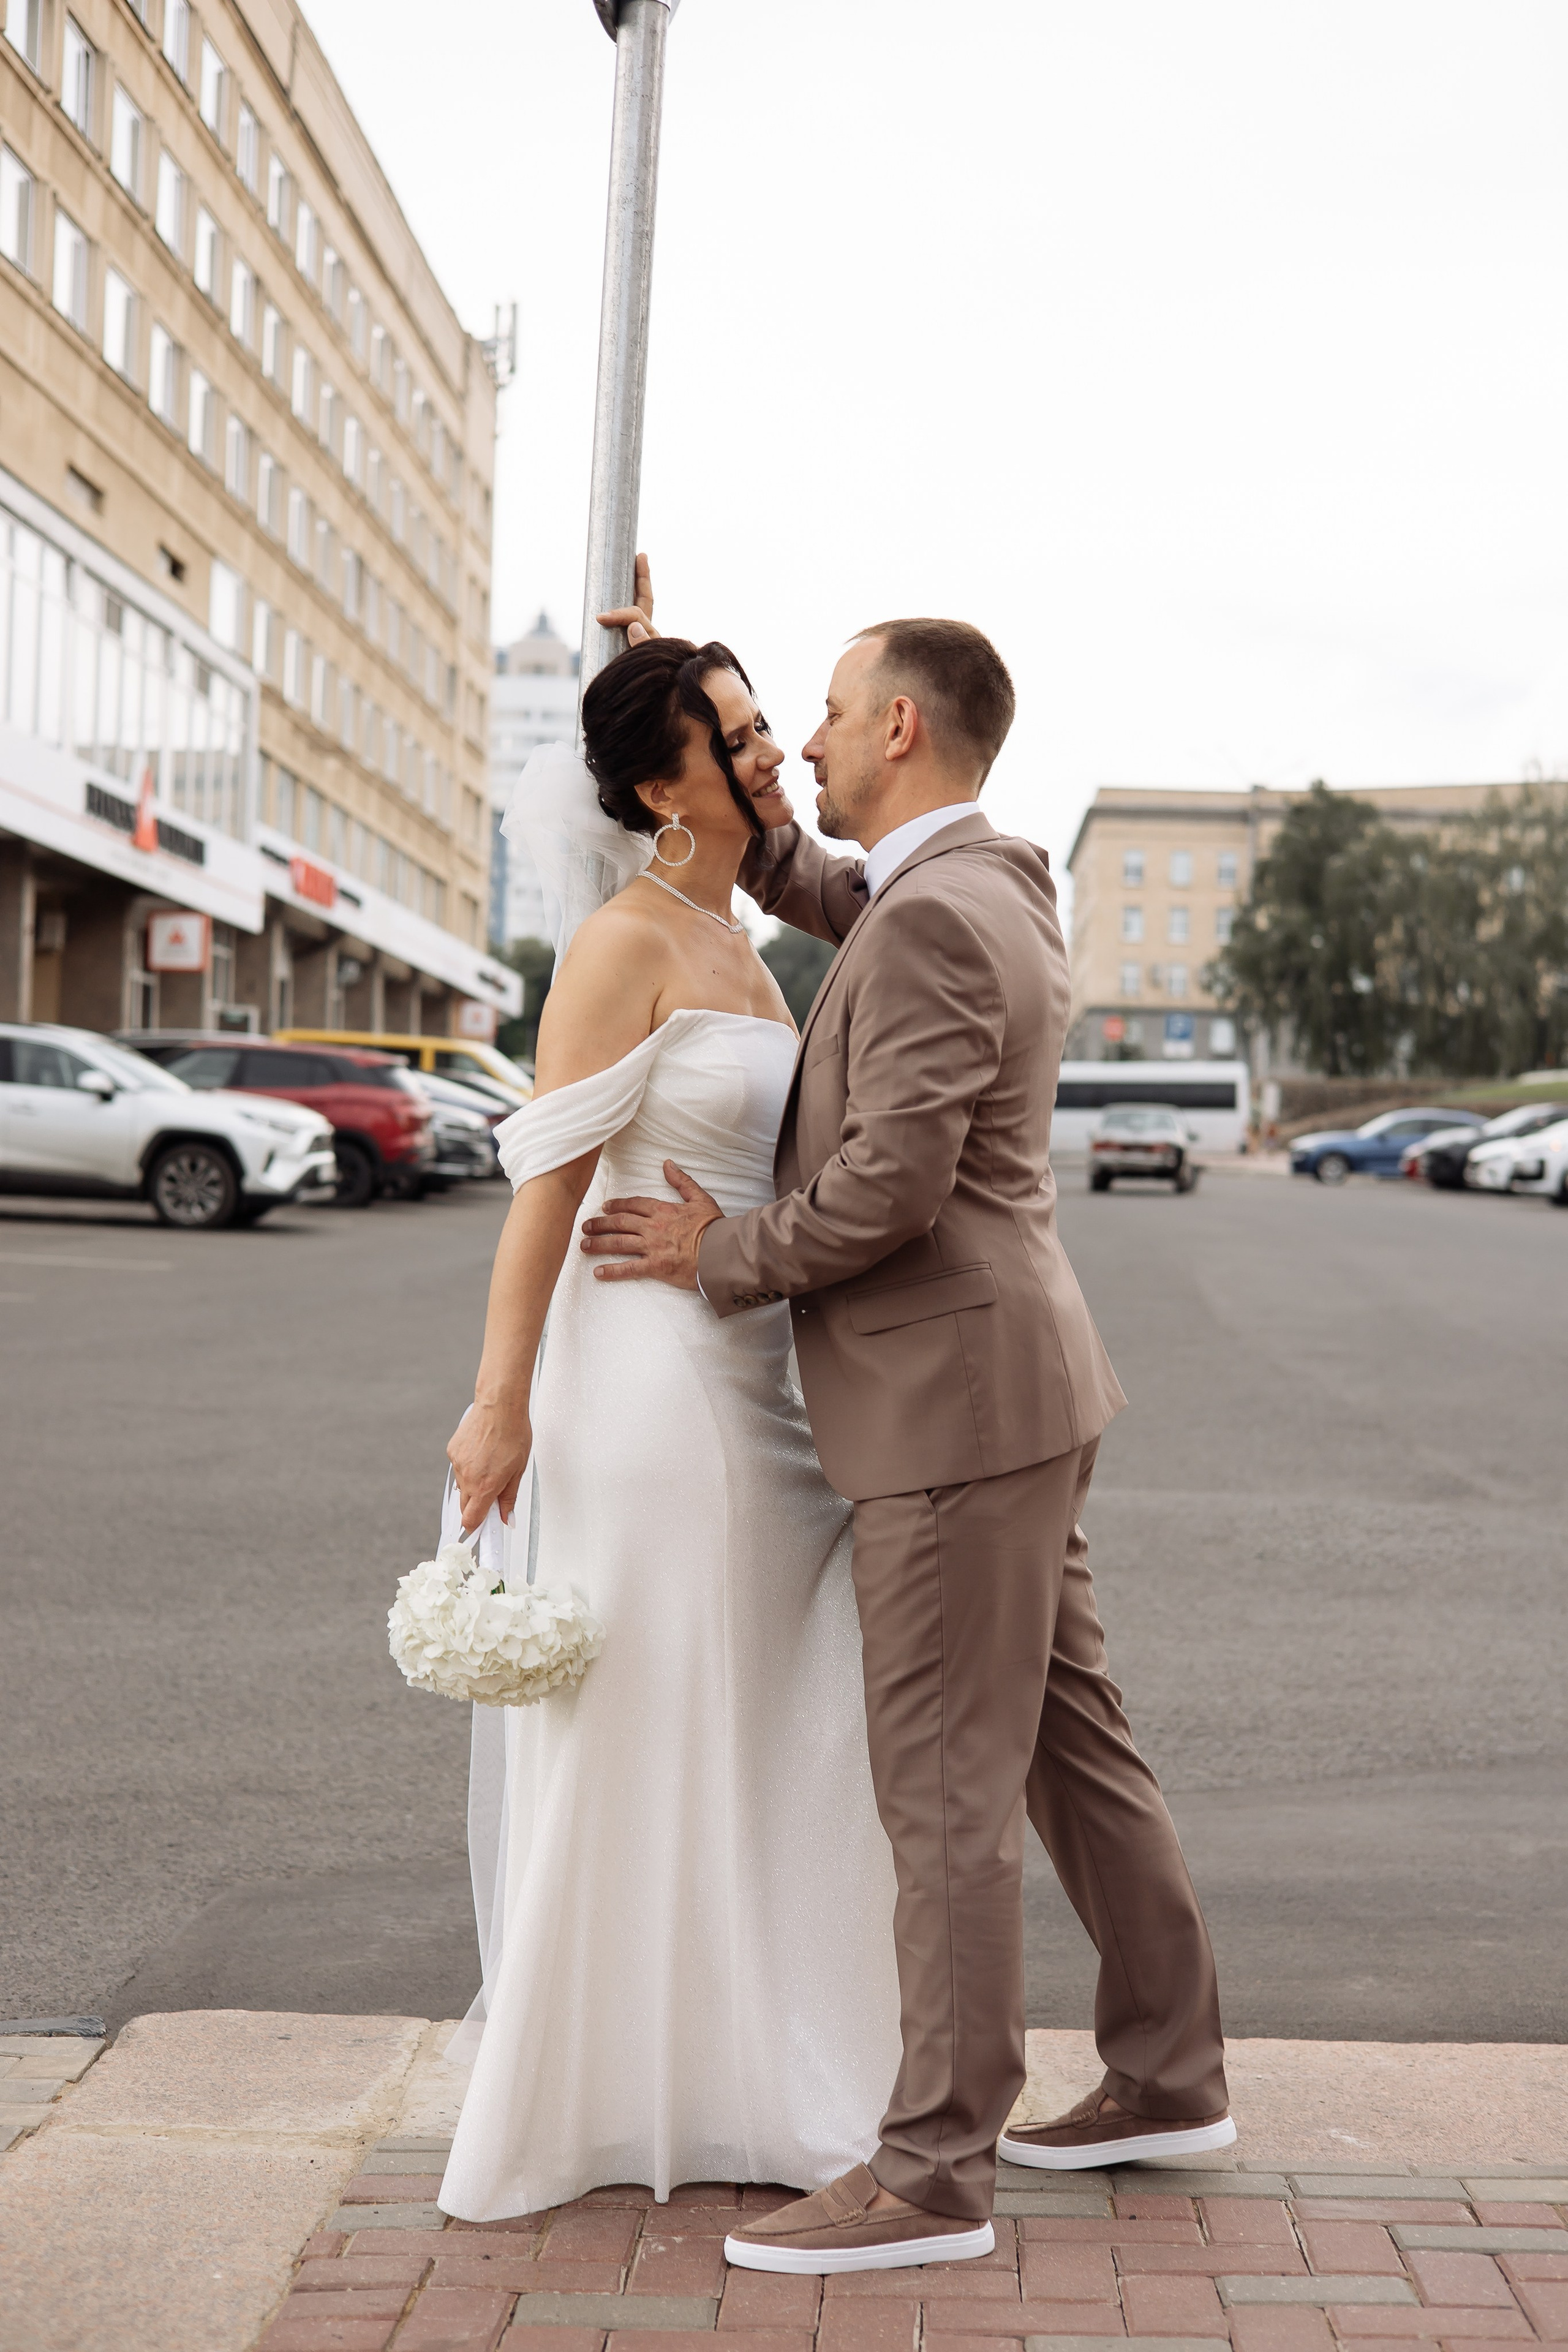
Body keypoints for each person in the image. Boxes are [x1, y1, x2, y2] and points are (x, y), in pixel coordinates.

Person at [580, 569, 1234, 2277]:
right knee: (1068, 1746)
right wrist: (670, 694)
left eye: (813, 711)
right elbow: (814, 881)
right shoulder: (967, 885)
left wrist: (720, 1254)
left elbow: (886, 1188)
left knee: (943, 1790)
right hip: (1010, 1388)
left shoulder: (939, 914)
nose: (789, 741)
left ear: (898, 724)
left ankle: (935, 2168)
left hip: (948, 1406)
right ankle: (1170, 2075)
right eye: (753, 735)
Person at [437, 634, 903, 2225]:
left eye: (776, 727)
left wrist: (671, 649)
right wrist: (498, 1406)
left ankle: (730, 2060)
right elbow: (546, 1195)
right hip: (640, 1375)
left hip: (754, 1365)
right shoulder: (621, 944)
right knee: (650, 1711)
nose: (772, 756)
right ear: (658, 784)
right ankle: (603, 2089)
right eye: (739, 738)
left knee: (762, 1706)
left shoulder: (745, 934)